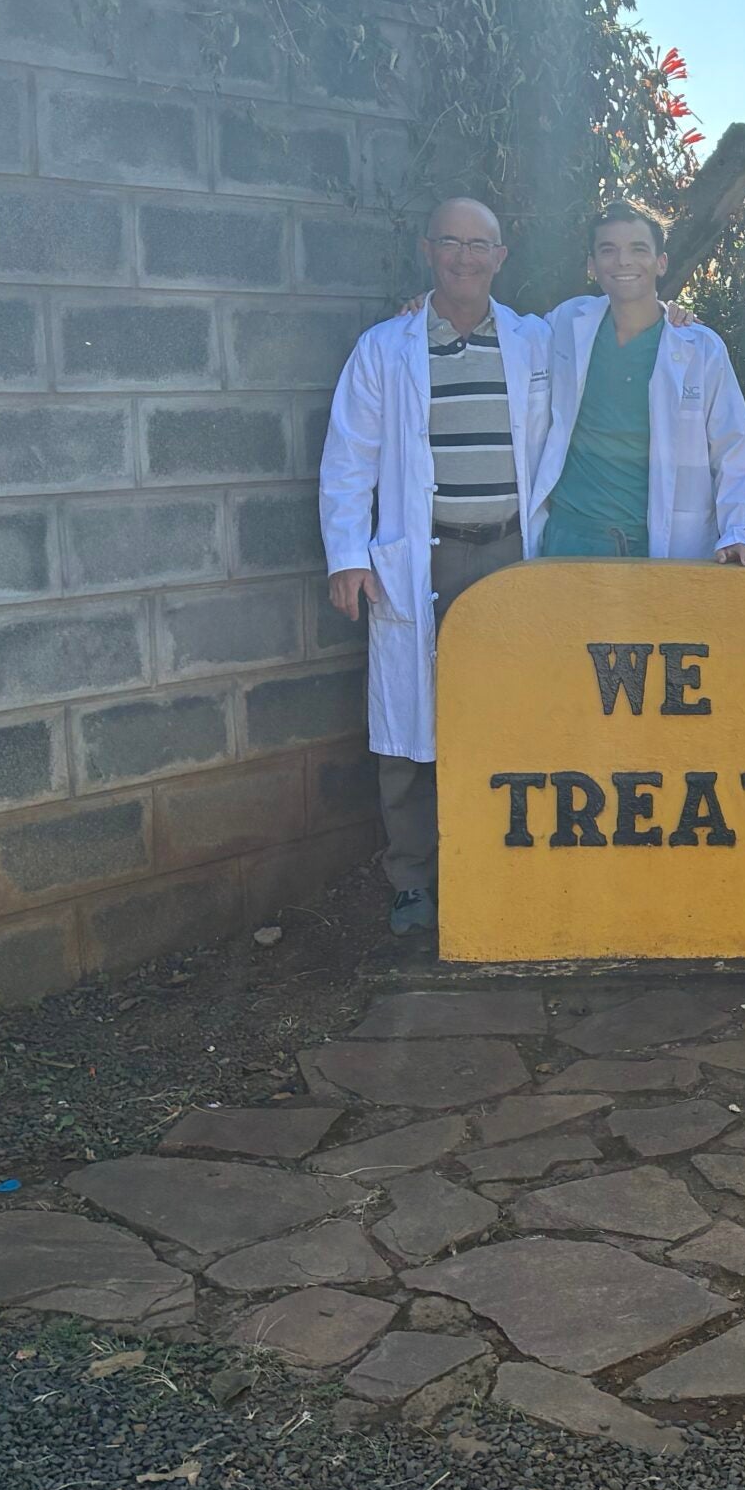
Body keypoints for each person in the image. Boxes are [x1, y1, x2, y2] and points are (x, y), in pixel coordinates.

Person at [319, 197, 553, 936]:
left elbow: (612, 332)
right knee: (411, 723)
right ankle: (413, 881)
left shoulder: (536, 341)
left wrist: (671, 315)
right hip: (425, 555)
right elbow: (350, 458)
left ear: (501, 256)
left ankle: (503, 868)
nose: (464, 257)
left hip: (516, 555)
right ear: (428, 250)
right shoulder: (385, 348)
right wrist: (348, 557)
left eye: (479, 244)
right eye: (450, 243)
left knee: (513, 713)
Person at [527, 198, 745, 566]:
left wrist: (737, 532)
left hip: (654, 545)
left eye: (638, 249)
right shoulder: (564, 324)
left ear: (661, 262)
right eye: (608, 250)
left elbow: (732, 449)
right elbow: (507, 336)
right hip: (568, 540)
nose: (623, 261)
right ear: (592, 266)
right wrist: (427, 311)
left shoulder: (700, 349)